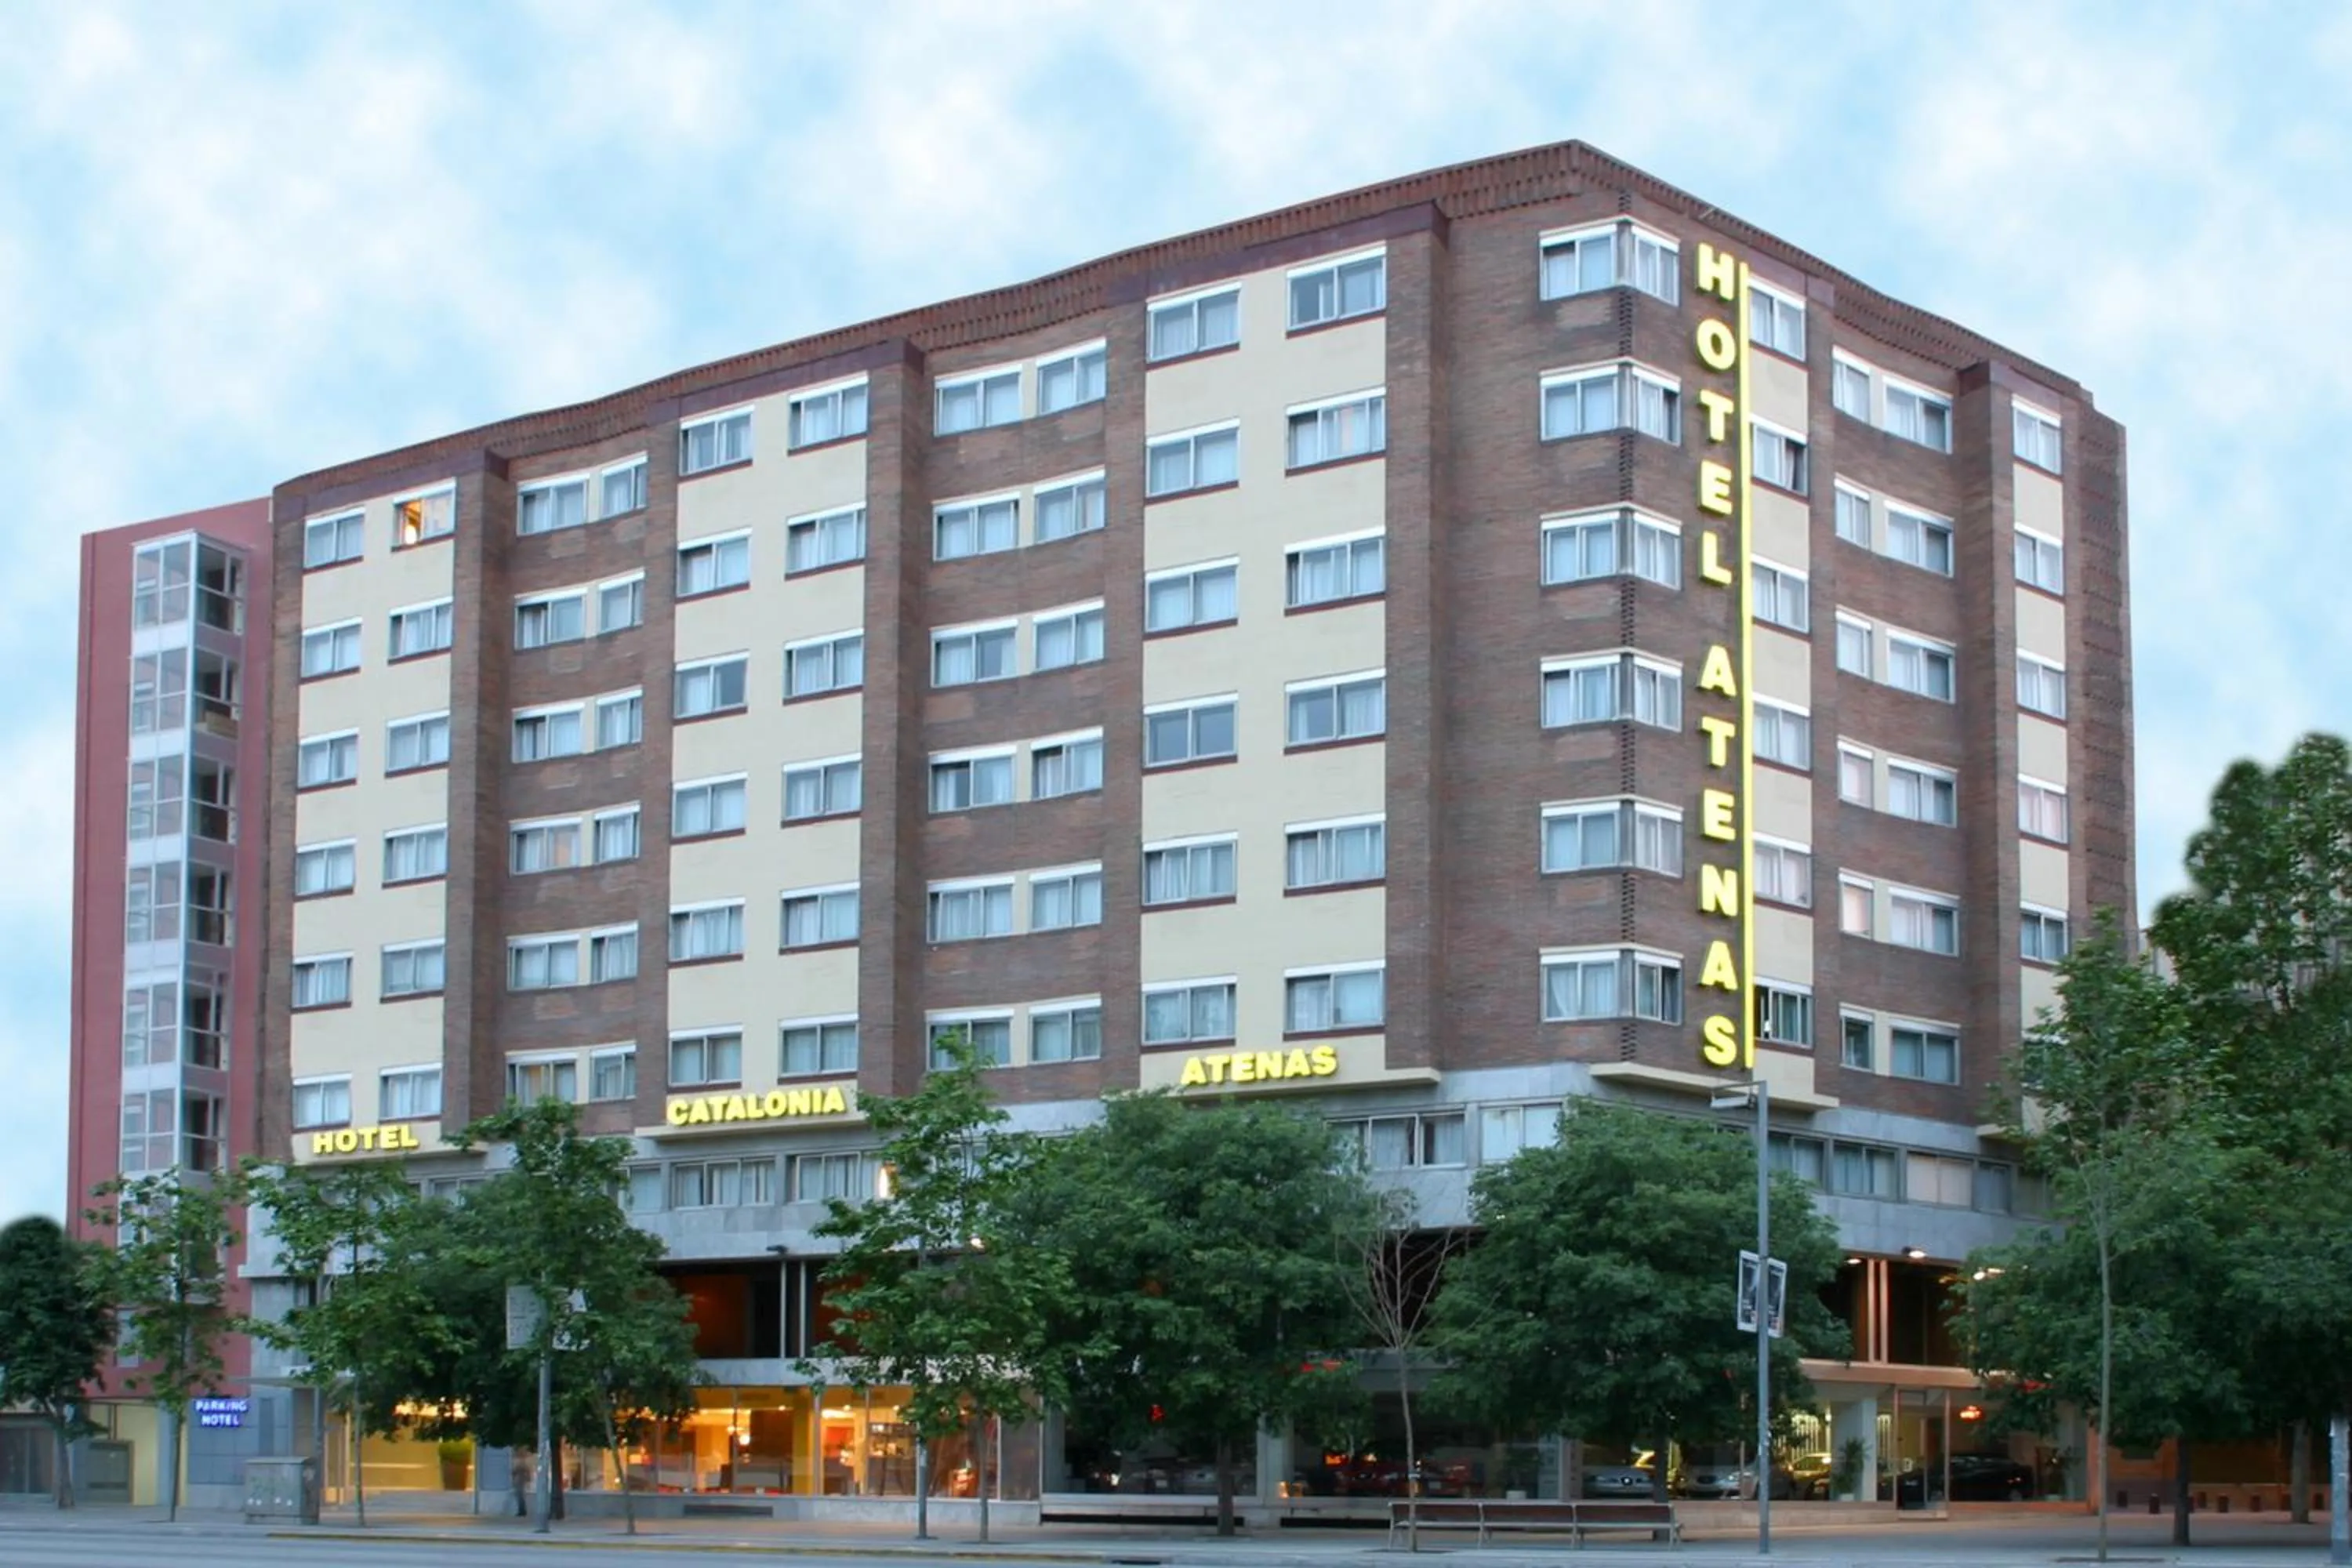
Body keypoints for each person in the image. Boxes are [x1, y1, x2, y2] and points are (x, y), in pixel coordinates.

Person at [510, 1446, 533, 1519]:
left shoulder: (520, 1462)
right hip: (520, 1482)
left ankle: (522, 1511)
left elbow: (514, 1472)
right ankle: (522, 1510)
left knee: (520, 1497)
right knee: (520, 1497)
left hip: (519, 1482)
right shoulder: (522, 1462)